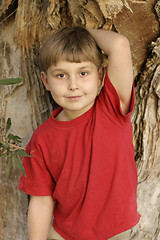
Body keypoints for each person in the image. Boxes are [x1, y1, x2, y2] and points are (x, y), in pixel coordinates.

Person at [18, 26, 141, 240]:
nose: (73, 85)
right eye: (61, 75)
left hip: (117, 234)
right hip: (65, 235)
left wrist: (80, 30)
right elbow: (40, 200)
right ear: (46, 80)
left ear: (100, 76)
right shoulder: (42, 139)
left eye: (83, 73)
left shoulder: (112, 110)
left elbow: (119, 44)